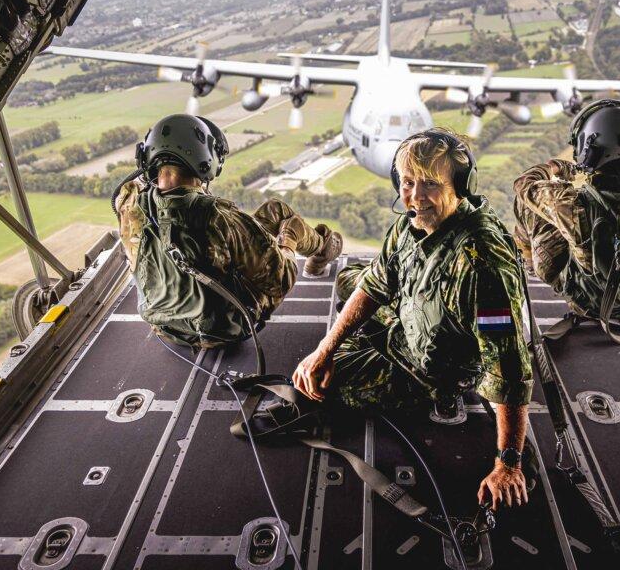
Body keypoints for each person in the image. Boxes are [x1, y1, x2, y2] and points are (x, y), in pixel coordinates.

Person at [292, 129, 535, 510]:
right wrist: (325, 347)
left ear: (459, 187)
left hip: (429, 366)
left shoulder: (481, 266)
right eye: (407, 182)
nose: (416, 197)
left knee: (320, 387)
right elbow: (376, 282)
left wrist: (509, 463)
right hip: (412, 314)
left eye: (430, 184)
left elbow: (508, 370)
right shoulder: (411, 223)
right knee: (349, 280)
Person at [115, 114, 342, 348]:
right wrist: (289, 241)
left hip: (166, 329)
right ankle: (321, 250)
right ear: (204, 157)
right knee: (281, 213)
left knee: (270, 211)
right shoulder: (219, 217)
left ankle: (320, 249)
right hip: (223, 330)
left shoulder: (130, 206)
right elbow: (280, 281)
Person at [513, 99, 620, 343]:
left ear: (587, 147)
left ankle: (531, 265)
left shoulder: (571, 202)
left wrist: (554, 168)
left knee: (527, 205)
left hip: (586, 302)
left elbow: (524, 185)